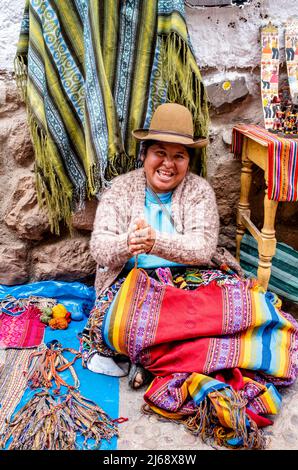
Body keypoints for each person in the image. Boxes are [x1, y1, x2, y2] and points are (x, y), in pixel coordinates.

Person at [81, 103, 242, 388]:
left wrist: (156, 242)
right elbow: (100, 249)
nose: (168, 164)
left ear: (188, 162)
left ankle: (148, 360)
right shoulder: (121, 189)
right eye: (160, 153)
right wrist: (127, 243)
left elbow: (203, 249)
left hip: (191, 278)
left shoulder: (199, 191)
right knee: (112, 319)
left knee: (237, 304)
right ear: (144, 155)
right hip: (134, 281)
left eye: (178, 156)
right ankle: (177, 359)